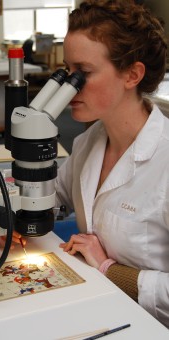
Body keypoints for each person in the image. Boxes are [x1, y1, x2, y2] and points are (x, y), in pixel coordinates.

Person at [55, 0, 169, 328]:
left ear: (132, 74)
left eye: (83, 73)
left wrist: (110, 269)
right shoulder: (88, 141)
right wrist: (18, 216)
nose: (68, 86)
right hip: (99, 308)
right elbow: (54, 195)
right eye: (67, 71)